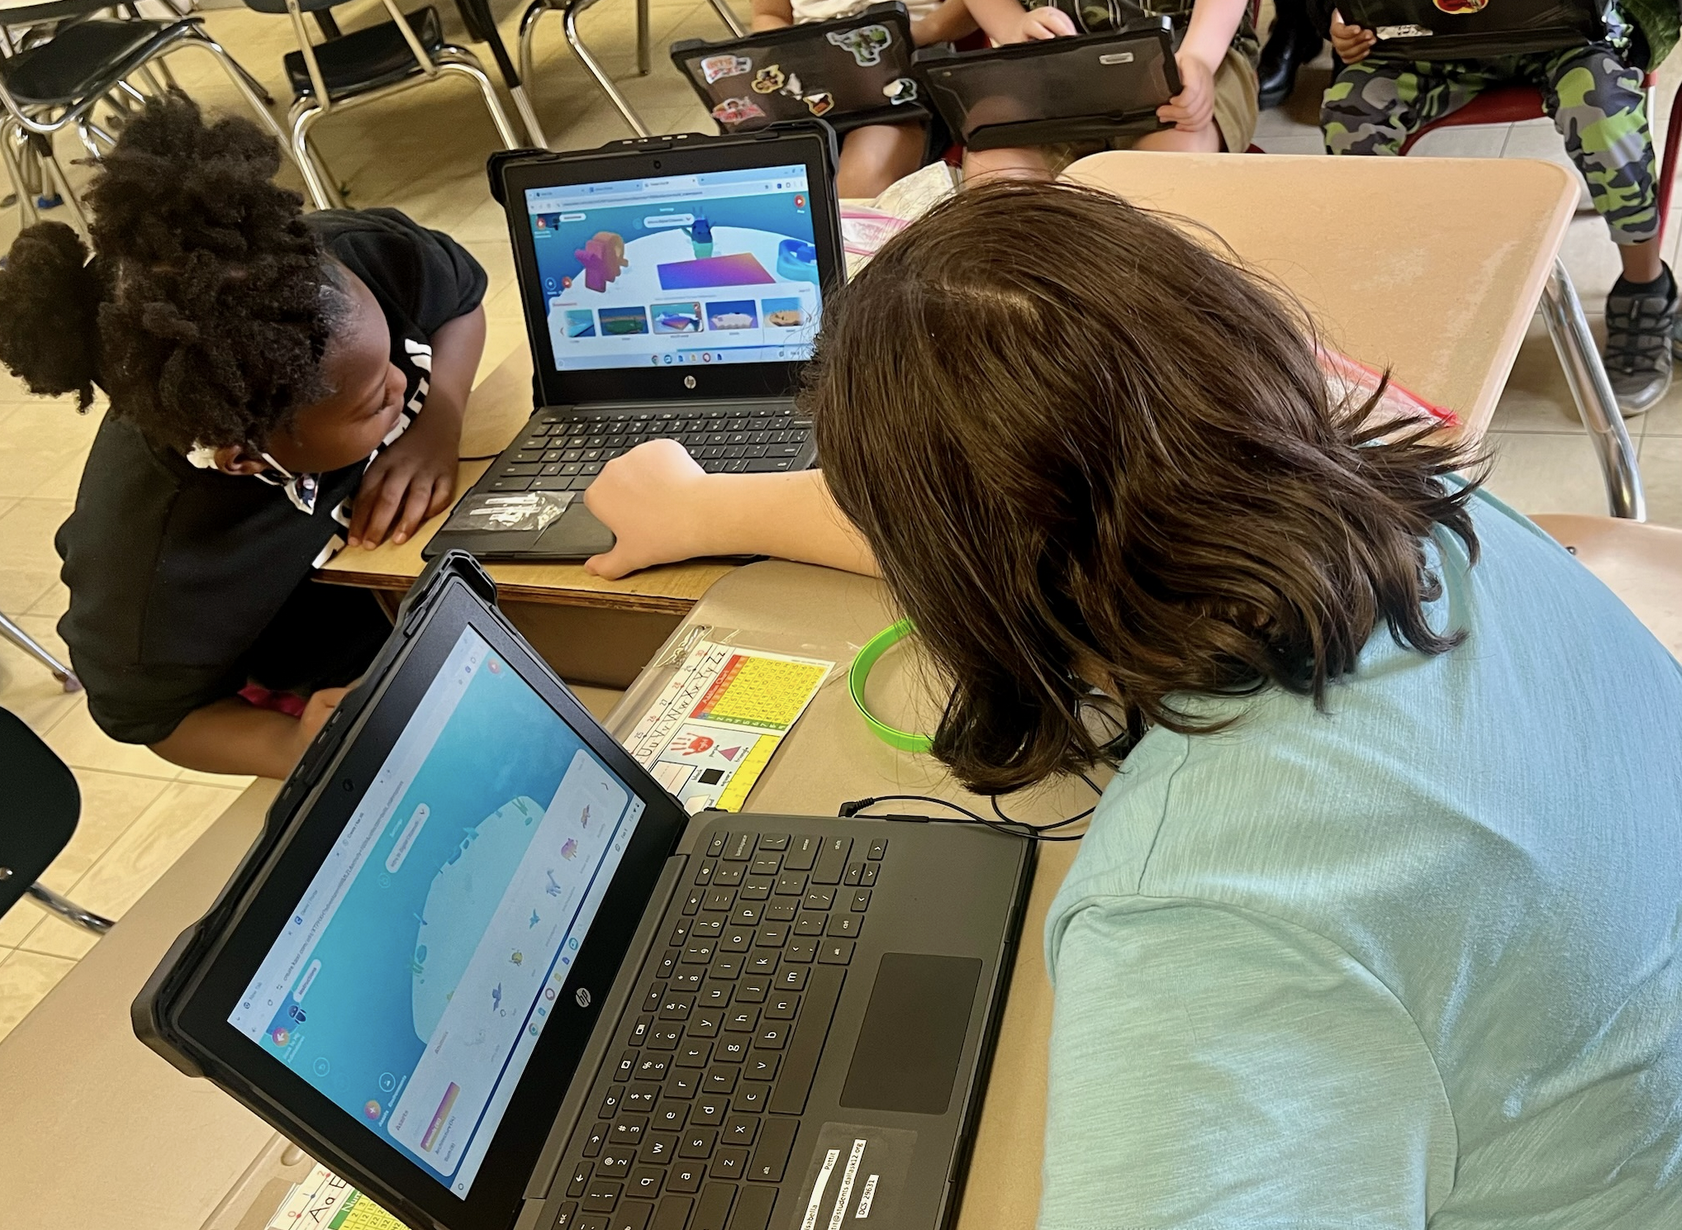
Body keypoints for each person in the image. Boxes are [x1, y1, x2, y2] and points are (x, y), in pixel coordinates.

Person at [583, 181, 1682, 1225]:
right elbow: (1049, 511)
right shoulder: (1416, 505)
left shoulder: (1199, 909)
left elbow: (1014, 538)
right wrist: (704, 507)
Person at [0, 96, 488, 780]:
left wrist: (439, 421)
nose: (404, 383)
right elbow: (153, 718)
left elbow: (460, 302)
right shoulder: (150, 565)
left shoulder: (351, 262)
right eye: (374, 400)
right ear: (245, 459)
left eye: (395, 361)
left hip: (447, 583)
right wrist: (297, 748)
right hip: (350, 665)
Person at [1321, 0, 1679, 414]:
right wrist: (1338, 18)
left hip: (1568, 40)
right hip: (1426, 46)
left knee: (1602, 107)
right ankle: (1407, 300)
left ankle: (1645, 287)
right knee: (1350, 115)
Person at [957, 0, 1260, 181]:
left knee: (1170, 163)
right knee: (993, 159)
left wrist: (1200, 55)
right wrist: (1012, 24)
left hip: (1187, 45)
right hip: (1047, 57)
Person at [749, 0, 977, 197]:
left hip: (904, 56)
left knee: (861, 179)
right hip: (806, 66)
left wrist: (919, 31)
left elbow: (974, 8)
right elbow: (769, 14)